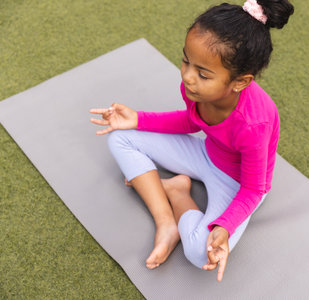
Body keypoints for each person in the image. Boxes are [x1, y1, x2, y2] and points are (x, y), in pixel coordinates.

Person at [90, 0, 294, 282]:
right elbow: (192, 121)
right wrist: (137, 119)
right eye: (186, 61)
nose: (187, 76)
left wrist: (224, 227)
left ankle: (178, 193)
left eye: (203, 74)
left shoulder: (254, 123)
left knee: (200, 253)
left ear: (240, 82)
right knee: (120, 136)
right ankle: (166, 223)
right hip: (205, 154)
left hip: (236, 185)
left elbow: (253, 189)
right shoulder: (194, 88)